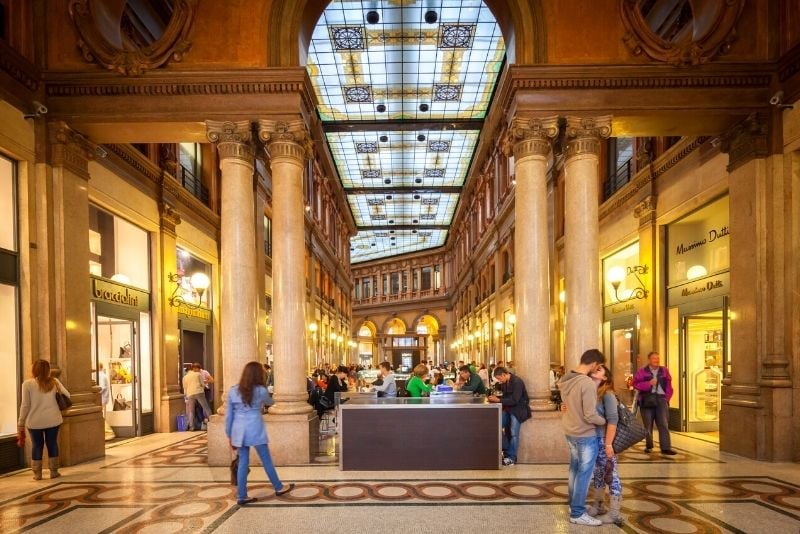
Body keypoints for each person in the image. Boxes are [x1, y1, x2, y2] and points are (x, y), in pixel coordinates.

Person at [225, 361, 294, 505]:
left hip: (239, 431)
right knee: (266, 459)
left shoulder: (233, 391)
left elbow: (229, 415)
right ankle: (278, 487)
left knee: (243, 461)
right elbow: (270, 402)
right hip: (255, 428)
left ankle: (242, 495)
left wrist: (229, 434)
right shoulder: (260, 391)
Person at [558, 348, 607, 526]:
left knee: (574, 470)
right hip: (585, 433)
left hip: (570, 430)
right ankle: (578, 513)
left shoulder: (565, 379)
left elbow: (568, 405)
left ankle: (574, 506)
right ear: (594, 364)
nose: (598, 369)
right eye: (599, 366)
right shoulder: (585, 382)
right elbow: (589, 415)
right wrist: (605, 421)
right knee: (584, 474)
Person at [17, 359, 70, 480]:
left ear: (34, 370)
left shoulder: (27, 384)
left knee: (37, 445)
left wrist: (21, 421)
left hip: (35, 422)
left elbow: (25, 405)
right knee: (52, 443)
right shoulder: (54, 382)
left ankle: (37, 474)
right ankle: (54, 472)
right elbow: (67, 395)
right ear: (48, 370)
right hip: (53, 420)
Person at [587, 364, 624, 525]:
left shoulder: (608, 394)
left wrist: (608, 444)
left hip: (604, 440)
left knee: (611, 474)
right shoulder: (594, 393)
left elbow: (613, 420)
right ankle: (599, 504)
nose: (595, 370)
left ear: (605, 377)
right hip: (594, 439)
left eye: (599, 369)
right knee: (598, 474)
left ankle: (615, 512)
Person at [632, 351, 676, 455]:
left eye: (658, 358)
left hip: (661, 399)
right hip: (646, 399)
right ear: (649, 360)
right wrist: (648, 384)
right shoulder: (642, 371)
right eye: (654, 358)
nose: (656, 360)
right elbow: (635, 384)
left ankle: (665, 447)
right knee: (648, 424)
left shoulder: (664, 370)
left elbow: (669, 385)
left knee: (663, 424)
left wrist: (667, 398)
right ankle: (649, 445)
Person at [487, 366, 531, 466]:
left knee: (514, 434)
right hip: (508, 409)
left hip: (518, 410)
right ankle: (506, 448)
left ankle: (512, 457)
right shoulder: (504, 383)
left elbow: (515, 400)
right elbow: (506, 397)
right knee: (496, 426)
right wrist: (495, 398)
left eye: (499, 378)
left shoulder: (517, 382)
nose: (499, 381)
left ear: (504, 374)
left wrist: (498, 400)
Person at [182, 363, 212, 431]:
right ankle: (212, 422)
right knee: (206, 407)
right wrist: (203, 385)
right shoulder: (198, 374)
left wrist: (186, 396)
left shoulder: (184, 377)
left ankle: (191, 427)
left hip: (190, 394)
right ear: (193, 369)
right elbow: (202, 384)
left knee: (191, 411)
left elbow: (185, 387)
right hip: (199, 392)